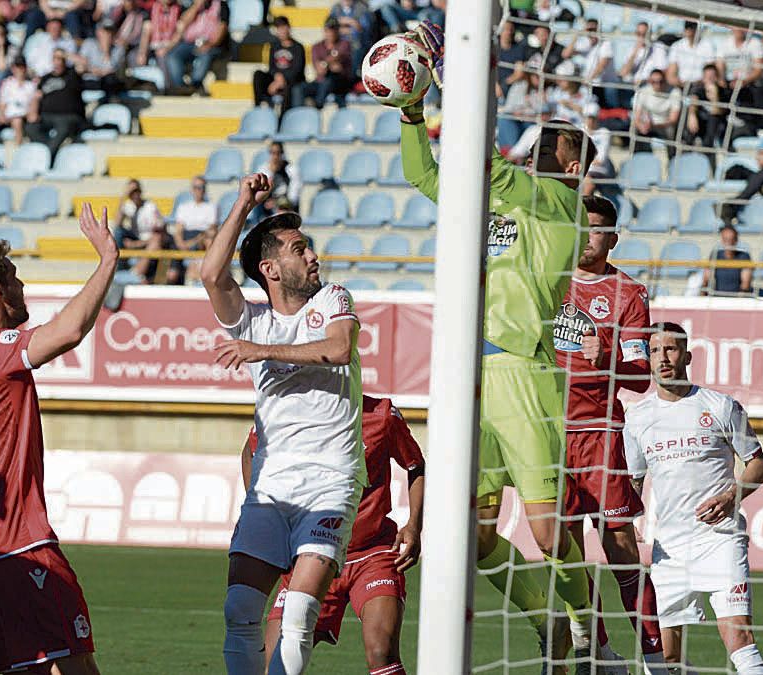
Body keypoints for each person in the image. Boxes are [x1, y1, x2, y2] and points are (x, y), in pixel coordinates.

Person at [400, 21, 597, 673]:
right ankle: (547, 614)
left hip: (524, 378)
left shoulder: (561, 208)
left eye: (555, 148)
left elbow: (482, 163)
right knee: (476, 537)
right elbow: (423, 172)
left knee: (546, 532)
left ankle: (583, 620)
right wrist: (410, 110)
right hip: (466, 375)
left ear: (572, 167)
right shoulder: (494, 204)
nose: (543, 152)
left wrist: (451, 74)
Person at [0, 204, 115, 675]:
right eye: (15, 278)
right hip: (23, 548)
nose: (23, 286)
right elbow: (69, 331)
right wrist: (107, 260)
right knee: (77, 667)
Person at [205, 172, 363, 675]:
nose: (313, 255)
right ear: (270, 268)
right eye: (300, 249)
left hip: (330, 479)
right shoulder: (250, 319)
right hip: (271, 485)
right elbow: (212, 274)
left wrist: (262, 351)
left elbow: (339, 349)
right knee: (240, 612)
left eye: (310, 247)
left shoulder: (332, 299)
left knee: (298, 611)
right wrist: (242, 203)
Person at [552, 195, 667, 673]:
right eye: (579, 226)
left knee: (620, 551)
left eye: (596, 229)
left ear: (612, 238)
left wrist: (609, 358)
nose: (586, 236)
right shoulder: (545, 280)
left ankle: (656, 656)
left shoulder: (627, 293)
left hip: (599, 434)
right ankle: (594, 648)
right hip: (546, 430)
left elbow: (641, 376)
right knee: (562, 550)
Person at [623, 322, 763, 675]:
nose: (663, 358)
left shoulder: (720, 406)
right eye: (655, 350)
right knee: (663, 658)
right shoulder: (638, 418)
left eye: (671, 349)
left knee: (739, 637)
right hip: (670, 549)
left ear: (686, 355)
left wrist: (732, 495)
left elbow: (758, 465)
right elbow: (632, 482)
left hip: (719, 540)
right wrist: (624, 518)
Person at [250, 395, 424, 675]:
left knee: (381, 651)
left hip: (372, 553)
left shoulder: (381, 415)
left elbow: (416, 465)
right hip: (311, 553)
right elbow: (252, 452)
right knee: (274, 664)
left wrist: (414, 524)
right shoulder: (287, 414)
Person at [25, 50, 86, 156]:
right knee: (31, 127)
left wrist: (66, 54)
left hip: (68, 117)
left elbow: (83, 63)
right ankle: (49, 150)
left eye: (60, 59)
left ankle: (47, 155)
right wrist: (33, 111)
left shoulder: (72, 74)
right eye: (55, 58)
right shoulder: (46, 78)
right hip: (47, 116)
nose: (57, 62)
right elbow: (37, 96)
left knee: (63, 128)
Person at [163, 0, 229, 95]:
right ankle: (179, 87)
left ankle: (195, 85)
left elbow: (223, 27)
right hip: (189, 43)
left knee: (205, 55)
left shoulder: (221, 5)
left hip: (210, 43)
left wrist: (210, 44)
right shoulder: (190, 5)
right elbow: (183, 23)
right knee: (172, 55)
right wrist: (196, 6)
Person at [253, 16, 306, 117]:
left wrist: (282, 80)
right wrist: (277, 78)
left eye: (283, 27)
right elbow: (271, 67)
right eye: (279, 28)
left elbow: (297, 70)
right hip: (277, 79)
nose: (282, 31)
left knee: (288, 87)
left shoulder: (298, 47)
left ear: (289, 28)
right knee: (258, 75)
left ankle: (283, 119)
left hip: (291, 81)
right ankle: (258, 107)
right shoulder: (274, 46)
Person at [631, 69, 683, 157]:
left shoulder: (675, 92)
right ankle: (640, 161)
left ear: (665, 80)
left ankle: (672, 162)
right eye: (653, 82)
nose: (657, 85)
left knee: (671, 136)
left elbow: (673, 119)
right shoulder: (642, 91)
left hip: (666, 126)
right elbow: (636, 117)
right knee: (637, 133)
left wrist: (655, 125)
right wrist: (641, 126)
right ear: (649, 81)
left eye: (660, 81)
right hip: (647, 124)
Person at [306, 18, 354, 109]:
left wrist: (324, 63)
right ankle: (298, 115)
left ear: (338, 31)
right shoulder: (317, 46)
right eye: (329, 30)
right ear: (324, 31)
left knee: (329, 82)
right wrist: (330, 64)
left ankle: (317, 107)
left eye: (334, 30)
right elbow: (320, 71)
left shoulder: (344, 44)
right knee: (299, 88)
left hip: (340, 82)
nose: (331, 33)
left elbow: (339, 60)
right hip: (321, 81)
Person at [666, 21, 720, 88]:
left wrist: (696, 84)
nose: (690, 31)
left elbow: (709, 71)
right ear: (685, 30)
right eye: (688, 29)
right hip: (680, 86)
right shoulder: (676, 46)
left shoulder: (708, 45)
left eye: (692, 29)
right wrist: (681, 84)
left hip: (701, 86)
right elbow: (671, 75)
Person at [705, 225, 754, 296]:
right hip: (718, 298)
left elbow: (745, 285)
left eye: (731, 239)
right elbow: (705, 280)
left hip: (737, 299)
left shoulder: (744, 256)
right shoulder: (715, 255)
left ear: (736, 240)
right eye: (726, 239)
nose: (729, 243)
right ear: (722, 240)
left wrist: (738, 302)